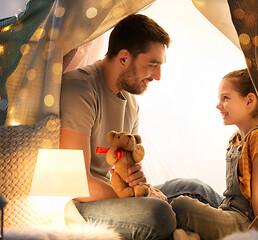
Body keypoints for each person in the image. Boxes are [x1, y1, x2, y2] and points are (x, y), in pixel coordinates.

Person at [60, 14, 223, 240]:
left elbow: (130, 170)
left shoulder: (131, 102)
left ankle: (246, 225)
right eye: (152, 65)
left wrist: (142, 185)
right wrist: (138, 199)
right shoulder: (80, 89)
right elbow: (75, 182)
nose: (157, 76)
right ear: (124, 58)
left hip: (121, 195)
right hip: (87, 203)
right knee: (160, 214)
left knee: (196, 189)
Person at [170, 69, 258, 240]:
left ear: (249, 101)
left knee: (181, 206)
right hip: (227, 209)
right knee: (190, 192)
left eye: (225, 98)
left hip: (244, 221)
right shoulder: (235, 139)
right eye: (219, 99)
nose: (218, 105)